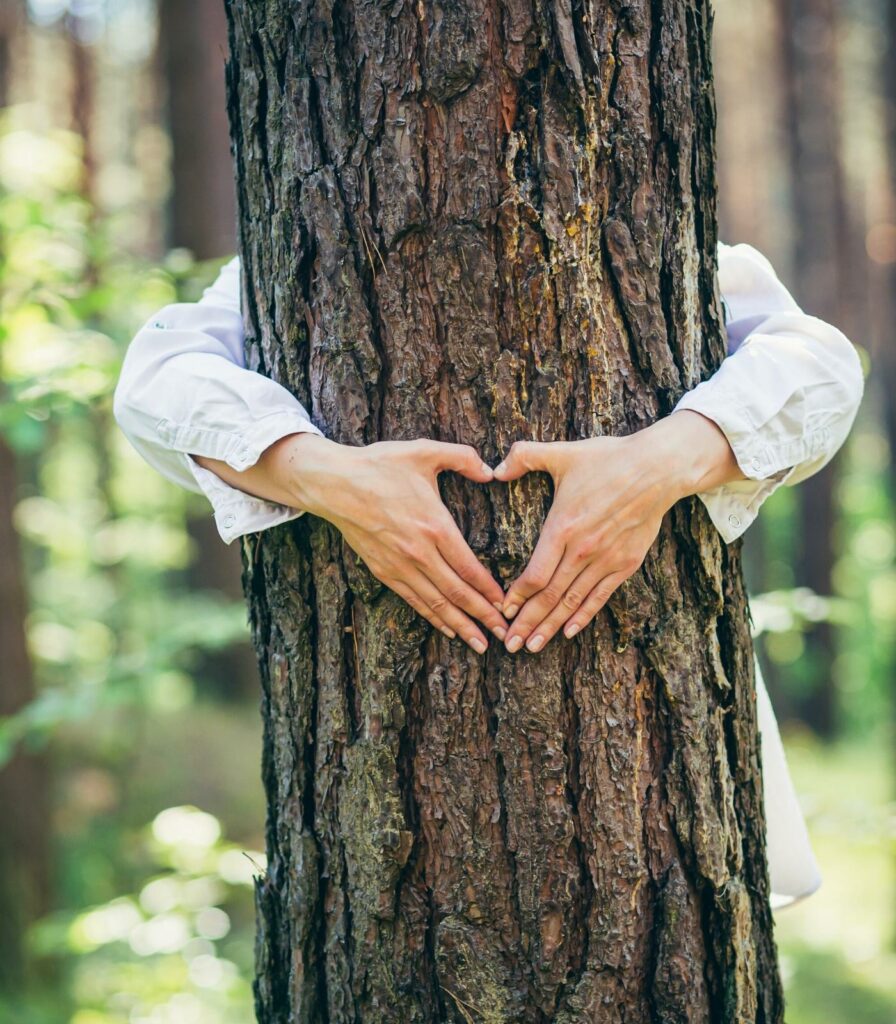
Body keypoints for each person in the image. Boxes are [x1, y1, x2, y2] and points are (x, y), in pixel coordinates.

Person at [113, 241, 864, 908]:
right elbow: (155, 381)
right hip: (375, 810)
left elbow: (822, 366)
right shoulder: (294, 255)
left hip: (661, 804)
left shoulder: (667, 244)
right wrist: (326, 478)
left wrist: (660, 463)